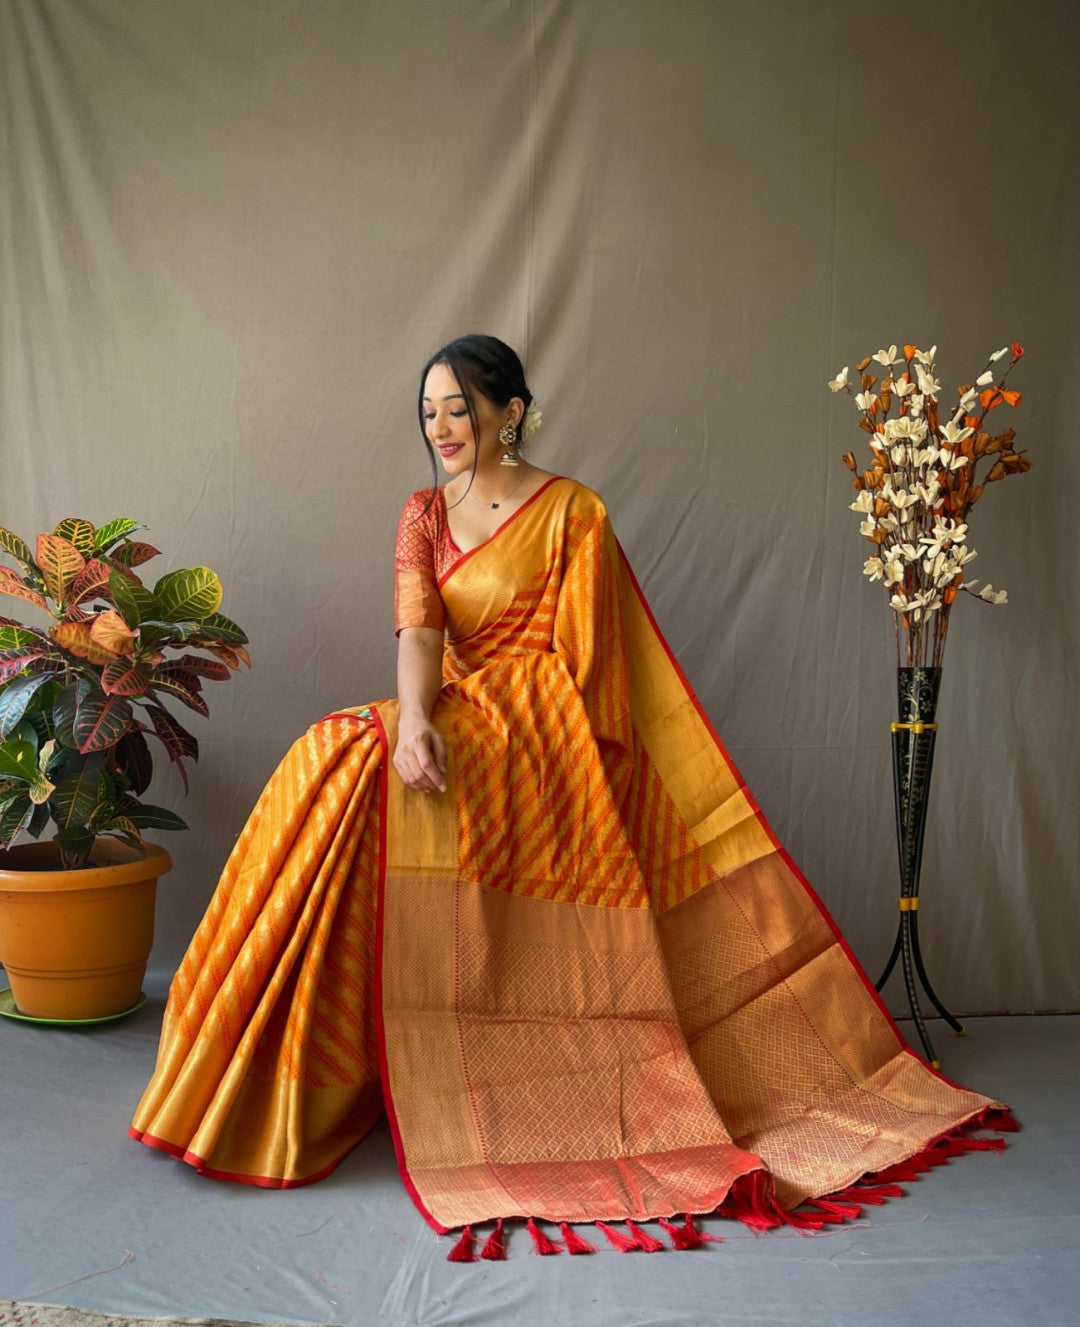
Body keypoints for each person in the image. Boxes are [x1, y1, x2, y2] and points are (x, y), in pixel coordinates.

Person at [131, 334, 1015, 1258]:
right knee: (340, 752)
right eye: (428, 410)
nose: (441, 426)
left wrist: (515, 724)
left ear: (509, 410)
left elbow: (591, 672)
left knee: (359, 761)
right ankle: (288, 1070)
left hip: (546, 733)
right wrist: (421, 720)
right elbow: (419, 633)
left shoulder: (572, 512)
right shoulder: (422, 512)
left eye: (458, 407)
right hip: (456, 710)